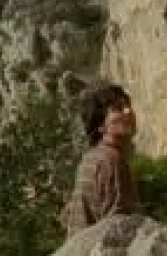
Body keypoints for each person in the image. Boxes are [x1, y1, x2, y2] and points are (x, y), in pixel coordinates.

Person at [61, 82, 142, 237]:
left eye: (128, 106)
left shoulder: (92, 158)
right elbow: (121, 230)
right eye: (118, 109)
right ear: (100, 125)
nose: (128, 111)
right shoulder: (112, 162)